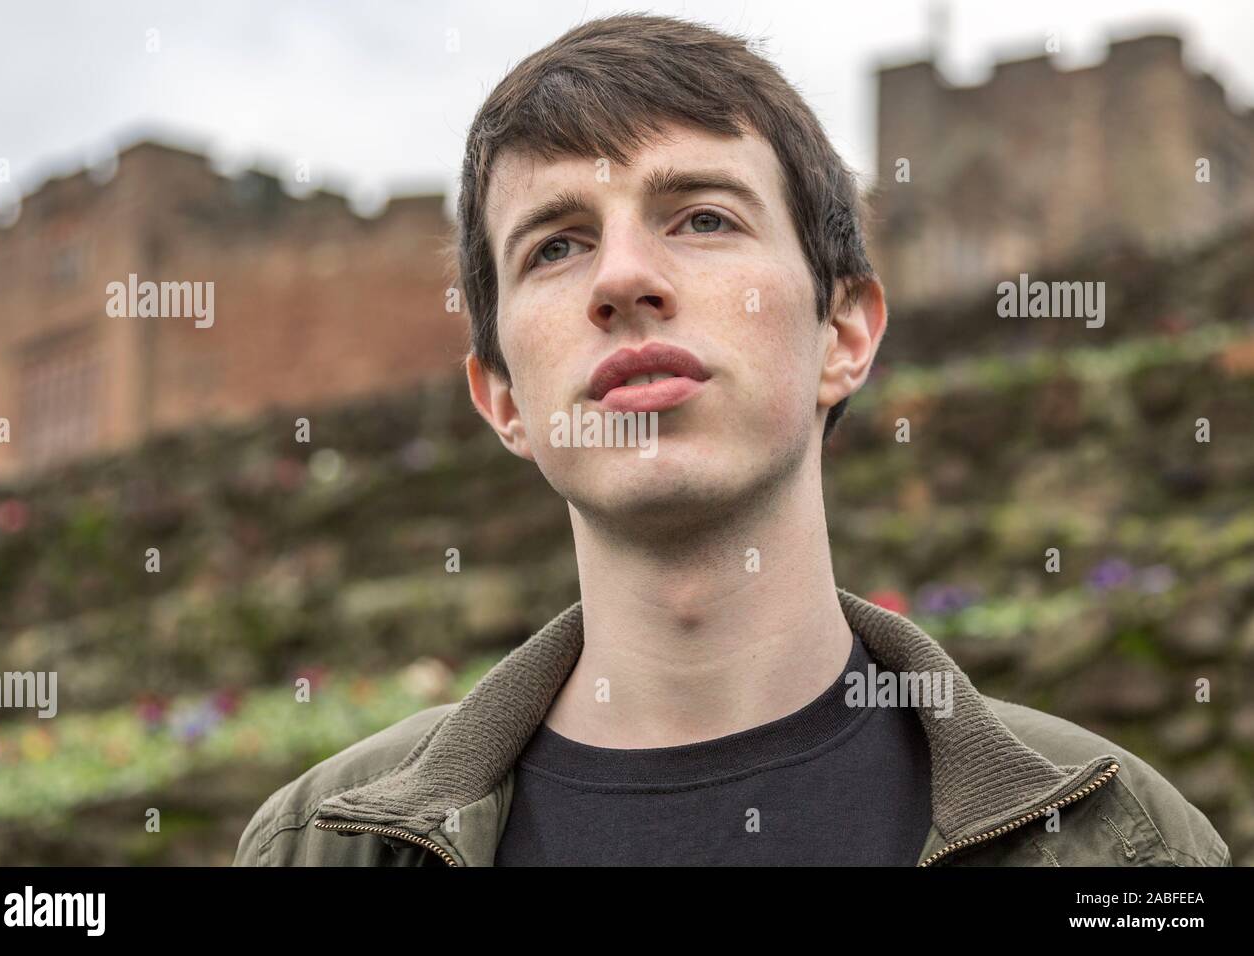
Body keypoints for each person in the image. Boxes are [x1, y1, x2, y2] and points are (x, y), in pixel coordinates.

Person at [234, 12, 1229, 867]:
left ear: (841, 335)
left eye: (702, 216)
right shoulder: (318, 848)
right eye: (557, 244)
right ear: (500, 397)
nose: (622, 277)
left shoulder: (1126, 841)